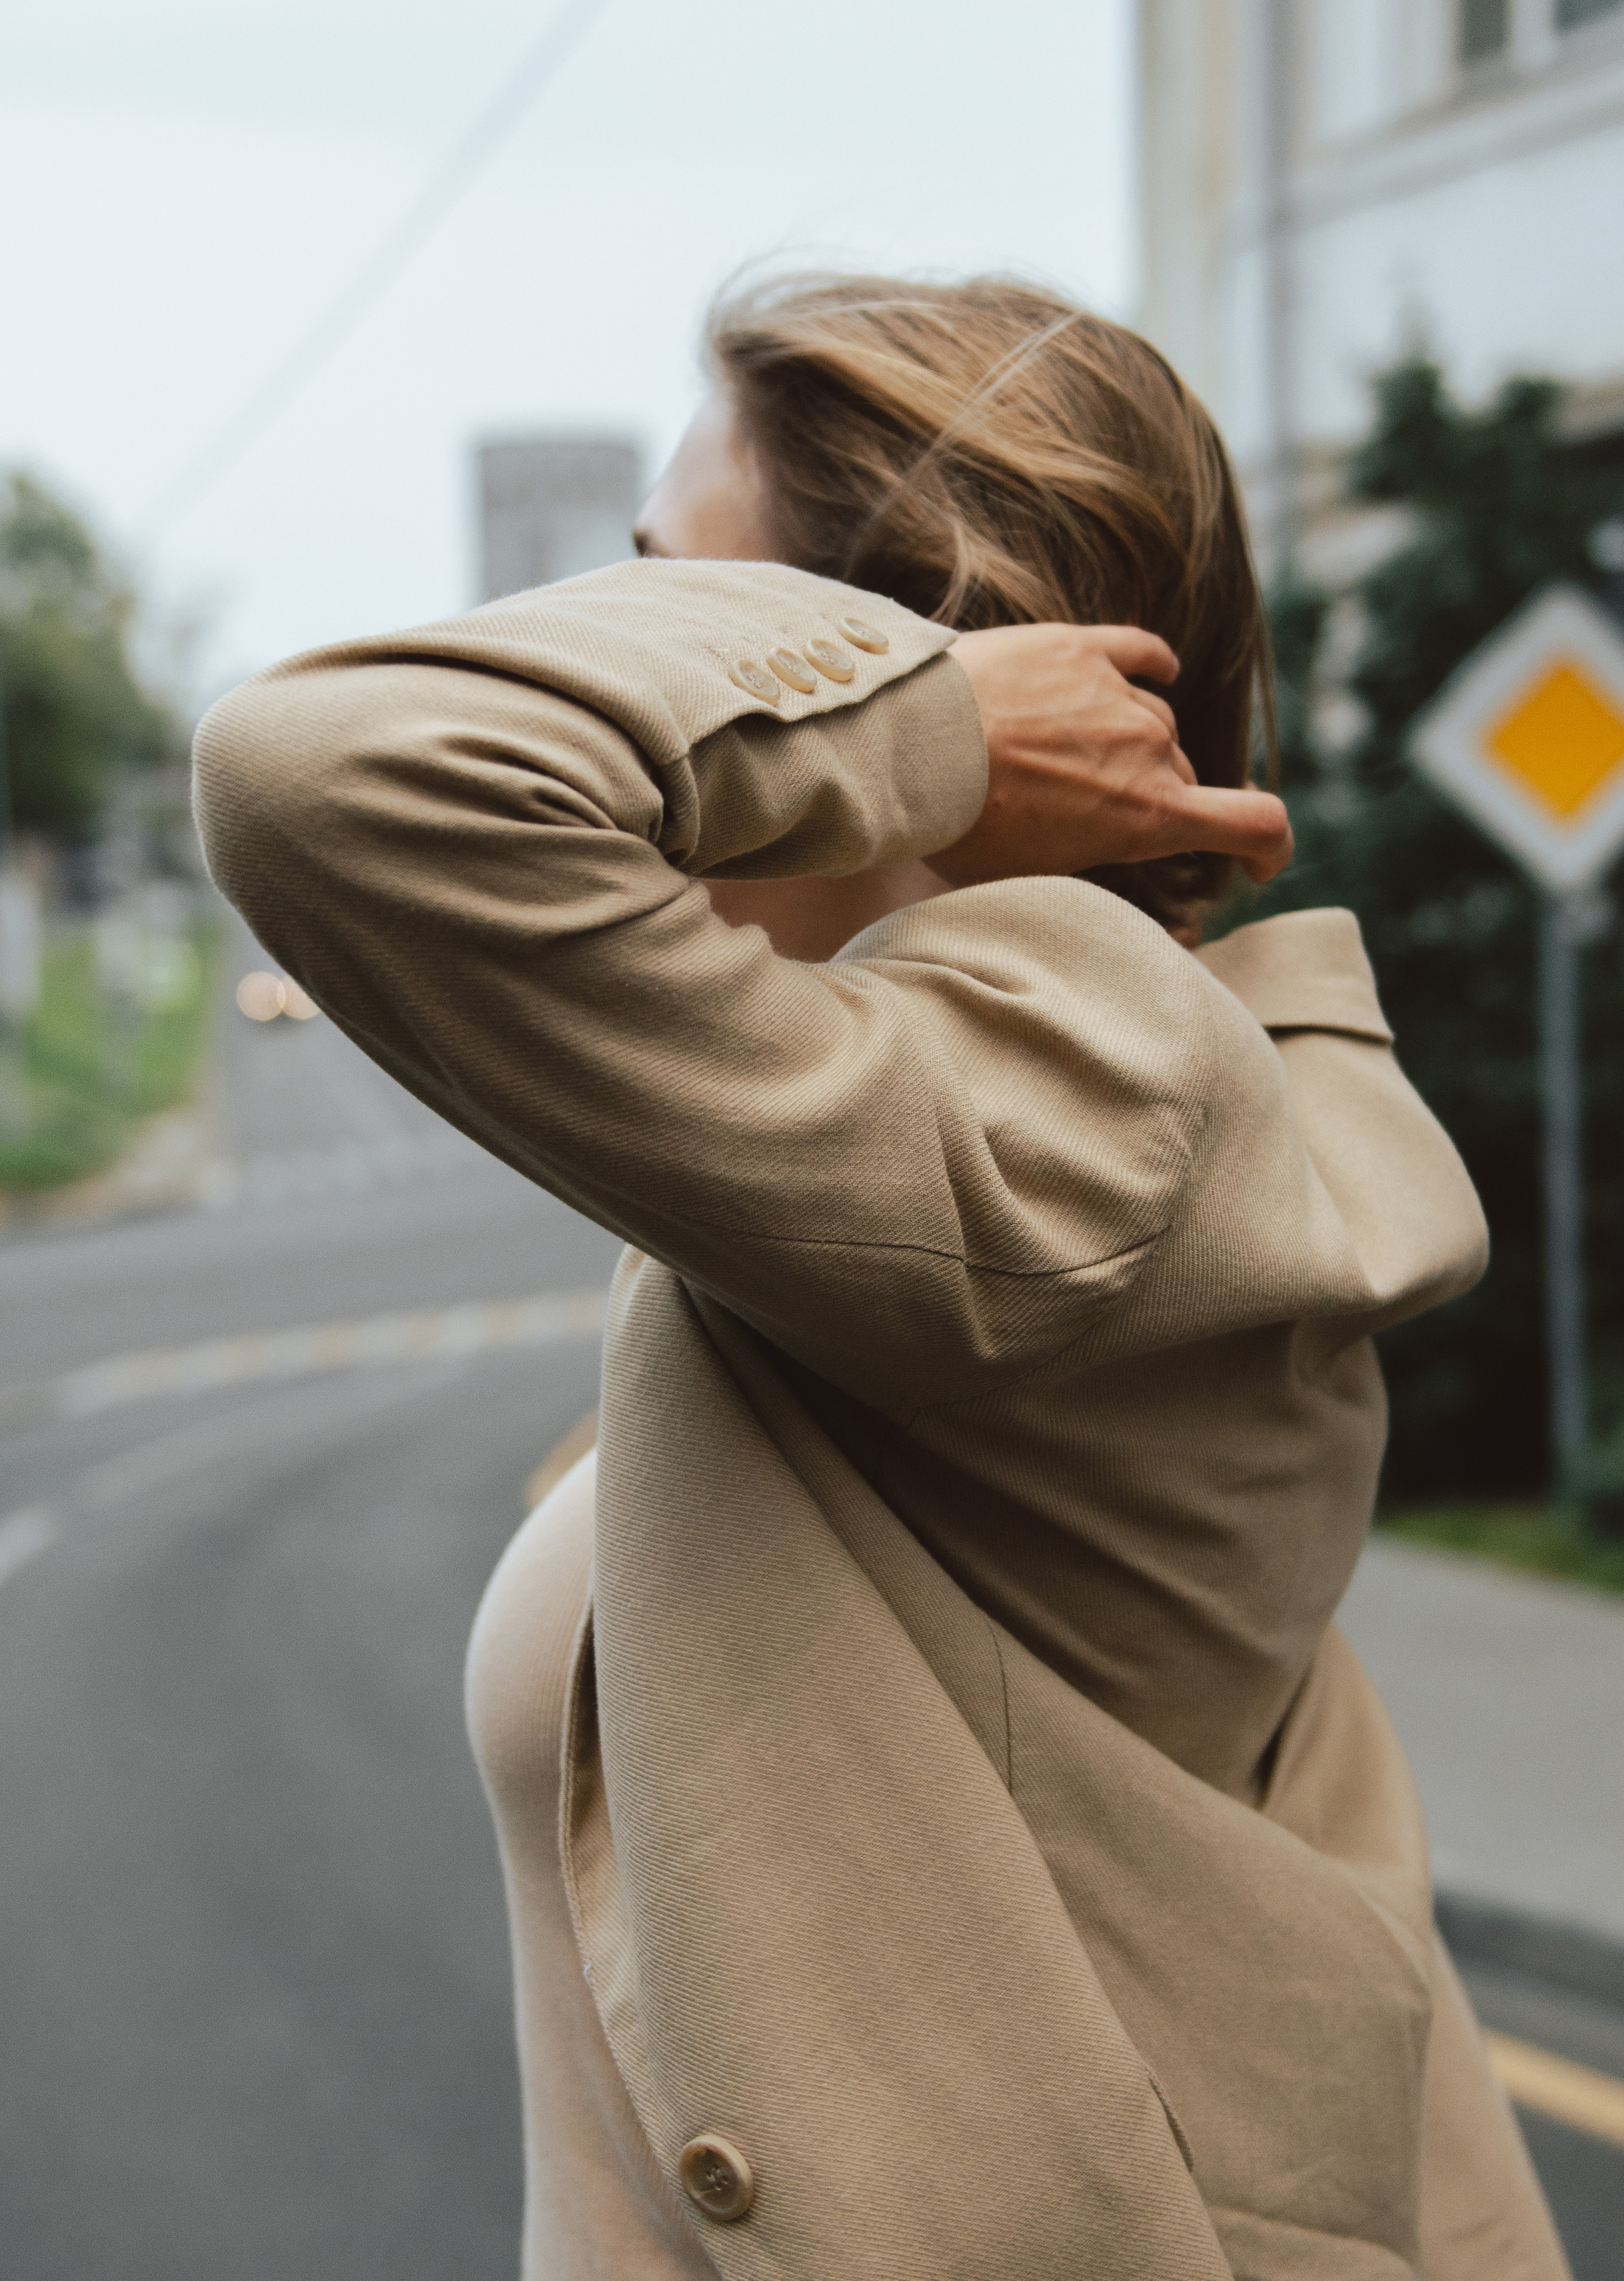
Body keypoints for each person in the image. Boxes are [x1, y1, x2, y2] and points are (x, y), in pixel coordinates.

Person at [193, 275, 1568, 2281]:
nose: (638, 666)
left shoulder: (1071, 1136)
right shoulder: (971, 1129)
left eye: (678, 603)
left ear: (923, 683)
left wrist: (917, 720)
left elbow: (319, 770)